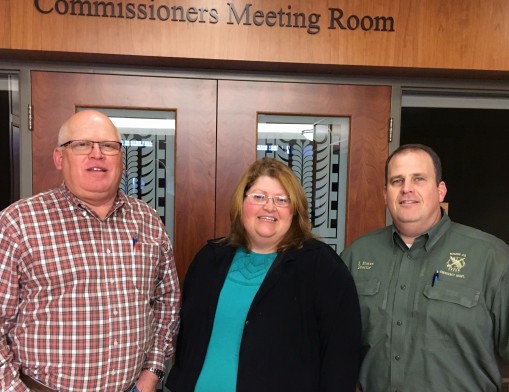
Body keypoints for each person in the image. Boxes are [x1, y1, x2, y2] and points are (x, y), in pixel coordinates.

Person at [0, 110, 181, 392]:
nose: (97, 154)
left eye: (108, 146)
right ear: (60, 158)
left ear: (120, 158)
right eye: (82, 144)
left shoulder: (148, 221)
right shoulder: (18, 223)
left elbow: (167, 300)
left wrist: (153, 371)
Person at [167, 157, 361, 392]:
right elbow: (187, 340)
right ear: (242, 202)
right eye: (259, 197)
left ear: (295, 211)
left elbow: (342, 356)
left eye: (282, 200)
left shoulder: (322, 267)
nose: (269, 207)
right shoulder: (209, 260)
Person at [341, 143, 509, 391]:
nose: (407, 189)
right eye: (397, 181)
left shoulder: (492, 258)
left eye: (419, 179)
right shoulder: (357, 255)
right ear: (385, 194)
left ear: (440, 191)